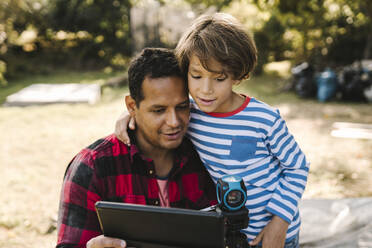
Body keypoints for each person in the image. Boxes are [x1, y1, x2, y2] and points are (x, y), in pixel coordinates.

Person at [115, 13, 309, 248]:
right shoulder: (190, 114)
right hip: (231, 236)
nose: (205, 90)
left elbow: (297, 167)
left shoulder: (264, 119)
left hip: (278, 236)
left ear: (237, 75)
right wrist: (129, 116)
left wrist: (280, 222)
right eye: (196, 76)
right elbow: (159, 114)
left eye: (219, 78)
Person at [56, 48, 217, 248]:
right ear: (132, 106)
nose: (174, 122)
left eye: (182, 107)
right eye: (158, 110)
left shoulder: (206, 154)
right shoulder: (91, 167)